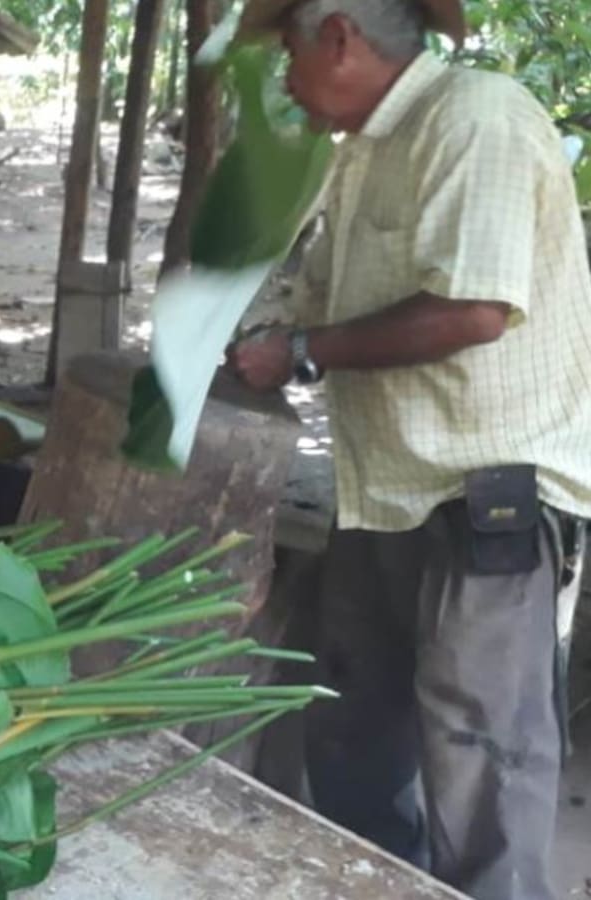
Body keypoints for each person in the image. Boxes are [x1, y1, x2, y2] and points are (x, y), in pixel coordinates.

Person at [228, 1, 591, 898]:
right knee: (356, 741)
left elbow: (473, 310)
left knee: (484, 764)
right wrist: (271, 334)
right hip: (383, 490)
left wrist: (304, 352)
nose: (283, 79)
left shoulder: (477, 118)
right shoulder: (364, 155)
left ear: (339, 36)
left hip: (483, 500)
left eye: (287, 53)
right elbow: (322, 299)